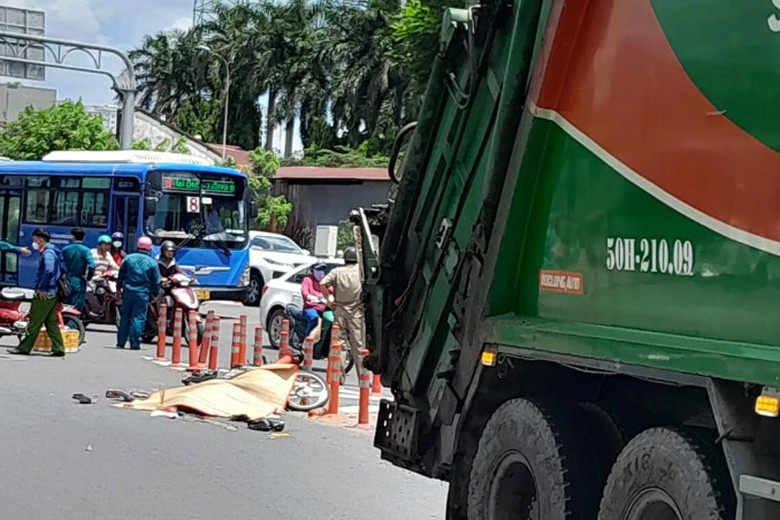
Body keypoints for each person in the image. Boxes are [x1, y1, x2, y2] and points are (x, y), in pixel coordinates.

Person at [8, 228, 66, 357]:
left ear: (40, 239)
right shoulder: (54, 251)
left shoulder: (48, 253)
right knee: (51, 322)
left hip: (45, 293)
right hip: (52, 292)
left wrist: (43, 288)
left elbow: (49, 270)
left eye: (34, 238)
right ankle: (59, 347)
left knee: (34, 321)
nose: (33, 241)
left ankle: (24, 347)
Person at [319, 247, 365, 374]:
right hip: (356, 312)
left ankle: (337, 376)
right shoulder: (361, 272)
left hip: (339, 311)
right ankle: (363, 378)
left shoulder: (337, 272)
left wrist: (329, 299)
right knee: (359, 346)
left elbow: (322, 284)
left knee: (339, 345)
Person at [116, 237, 160, 350]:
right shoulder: (152, 263)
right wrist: (154, 294)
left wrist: (118, 289)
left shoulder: (128, 258)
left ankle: (120, 342)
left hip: (128, 291)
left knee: (125, 317)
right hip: (143, 293)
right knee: (138, 318)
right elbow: (156, 281)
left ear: (137, 246)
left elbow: (120, 276)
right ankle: (134, 343)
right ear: (150, 249)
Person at [61, 227, 96, 312]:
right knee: (76, 306)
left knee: (65, 304)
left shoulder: (65, 249)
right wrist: (88, 277)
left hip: (66, 280)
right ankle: (73, 324)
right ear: (84, 238)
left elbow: (59, 263)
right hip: (79, 281)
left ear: (73, 237)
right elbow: (92, 265)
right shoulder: (86, 250)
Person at [301, 263, 334, 342]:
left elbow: (332, 290)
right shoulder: (308, 280)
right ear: (313, 271)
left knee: (333, 320)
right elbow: (304, 291)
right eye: (318, 270)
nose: (321, 272)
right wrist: (309, 297)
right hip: (310, 308)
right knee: (314, 318)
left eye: (322, 270)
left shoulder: (325, 281)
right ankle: (307, 341)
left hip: (324, 308)